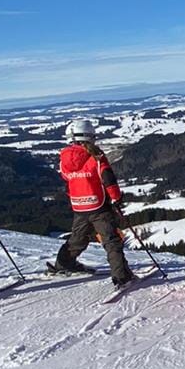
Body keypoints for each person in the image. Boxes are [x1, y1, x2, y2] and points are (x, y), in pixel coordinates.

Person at [53, 118, 136, 287]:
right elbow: (108, 180)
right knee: (111, 240)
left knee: (77, 238)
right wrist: (116, 198)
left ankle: (63, 264)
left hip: (79, 206)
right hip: (99, 207)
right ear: (90, 136)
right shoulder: (96, 158)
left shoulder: (64, 160)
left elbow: (66, 177)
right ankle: (121, 276)